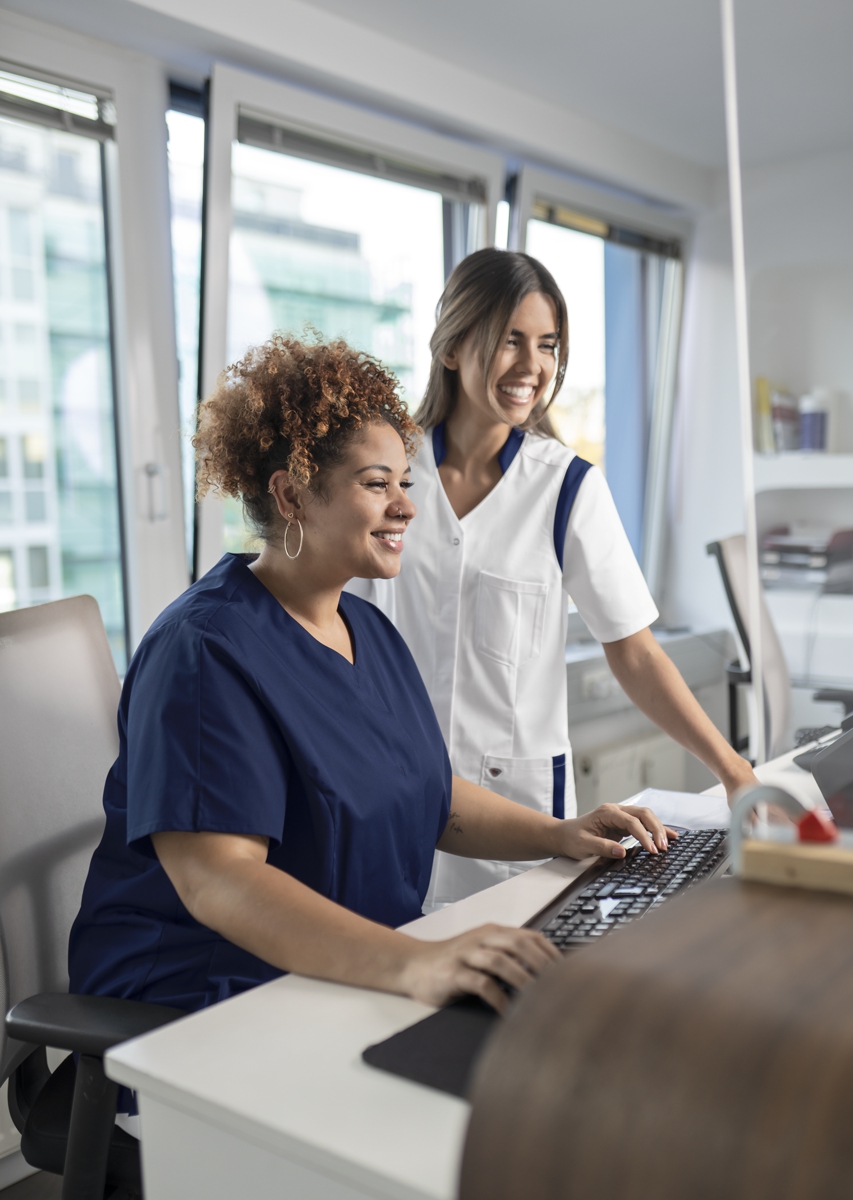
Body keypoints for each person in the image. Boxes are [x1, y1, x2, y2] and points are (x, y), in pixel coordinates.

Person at [68, 334, 670, 1039]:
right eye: (376, 484)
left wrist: (559, 834)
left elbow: (430, 795)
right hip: (202, 1001)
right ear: (292, 495)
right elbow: (219, 881)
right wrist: (415, 963)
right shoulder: (204, 652)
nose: (406, 508)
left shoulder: (366, 629)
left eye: (404, 483)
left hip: (343, 969)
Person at [349, 249, 757, 907]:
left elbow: (633, 649)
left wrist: (734, 772)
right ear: (452, 346)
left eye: (547, 345)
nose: (532, 365)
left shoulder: (567, 487)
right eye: (509, 339)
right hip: (385, 793)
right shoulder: (384, 474)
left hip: (518, 818)